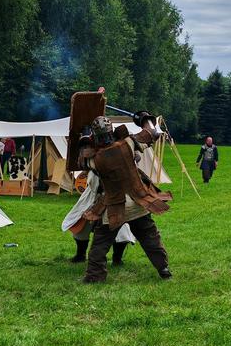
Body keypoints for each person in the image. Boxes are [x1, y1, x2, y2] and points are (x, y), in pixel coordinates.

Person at [78, 113, 172, 283]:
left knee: (100, 244)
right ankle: (163, 269)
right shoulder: (128, 143)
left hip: (114, 207)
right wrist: (144, 118)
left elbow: (81, 162)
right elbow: (153, 133)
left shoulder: (95, 159)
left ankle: (94, 276)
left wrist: (84, 138)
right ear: (111, 131)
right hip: (138, 203)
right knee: (150, 237)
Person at [62, 170, 135, 266]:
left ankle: (117, 259)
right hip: (92, 195)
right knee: (81, 225)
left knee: (122, 229)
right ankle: (80, 255)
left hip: (116, 198)